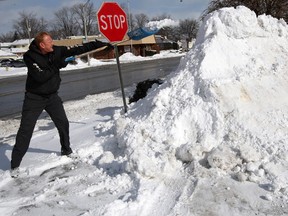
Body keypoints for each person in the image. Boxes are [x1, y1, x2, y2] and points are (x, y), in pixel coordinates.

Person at [10, 32, 112, 177]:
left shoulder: (56, 50)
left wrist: (99, 44)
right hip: (34, 98)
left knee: (63, 123)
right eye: (49, 42)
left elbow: (76, 49)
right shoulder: (30, 57)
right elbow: (41, 76)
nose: (53, 43)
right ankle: (15, 165)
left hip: (52, 96)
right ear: (42, 45)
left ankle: (66, 150)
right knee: (26, 130)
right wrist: (58, 64)